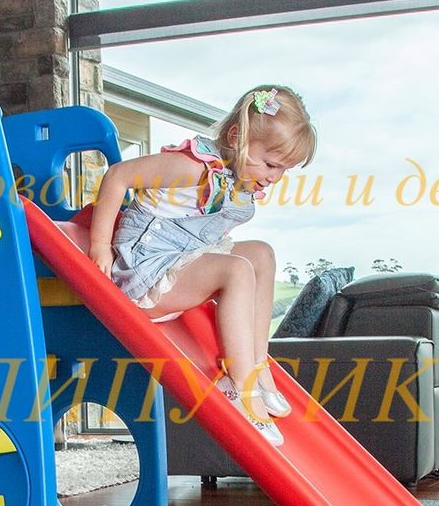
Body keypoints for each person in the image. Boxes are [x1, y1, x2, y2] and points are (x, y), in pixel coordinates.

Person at [88, 85, 317, 445]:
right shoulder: (191, 167)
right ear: (236, 138)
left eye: (283, 170)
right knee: (237, 270)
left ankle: (258, 366)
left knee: (262, 254)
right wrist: (100, 246)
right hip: (143, 273)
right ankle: (240, 390)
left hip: (181, 258)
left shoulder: (236, 180)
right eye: (271, 164)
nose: (274, 177)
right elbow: (118, 176)